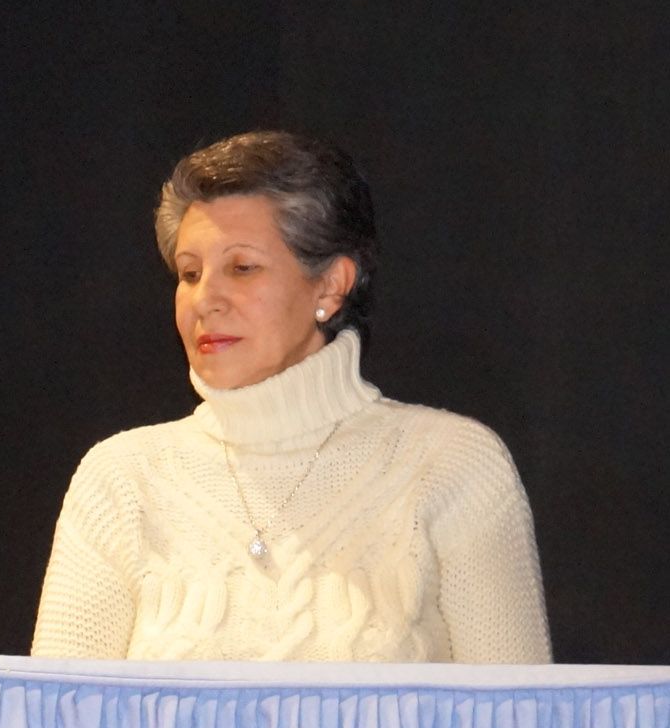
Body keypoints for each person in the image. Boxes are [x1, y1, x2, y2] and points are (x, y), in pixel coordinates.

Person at [32, 130, 550, 662]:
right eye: (190, 273)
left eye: (242, 268)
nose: (204, 300)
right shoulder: (121, 479)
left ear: (330, 286)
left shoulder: (451, 465)